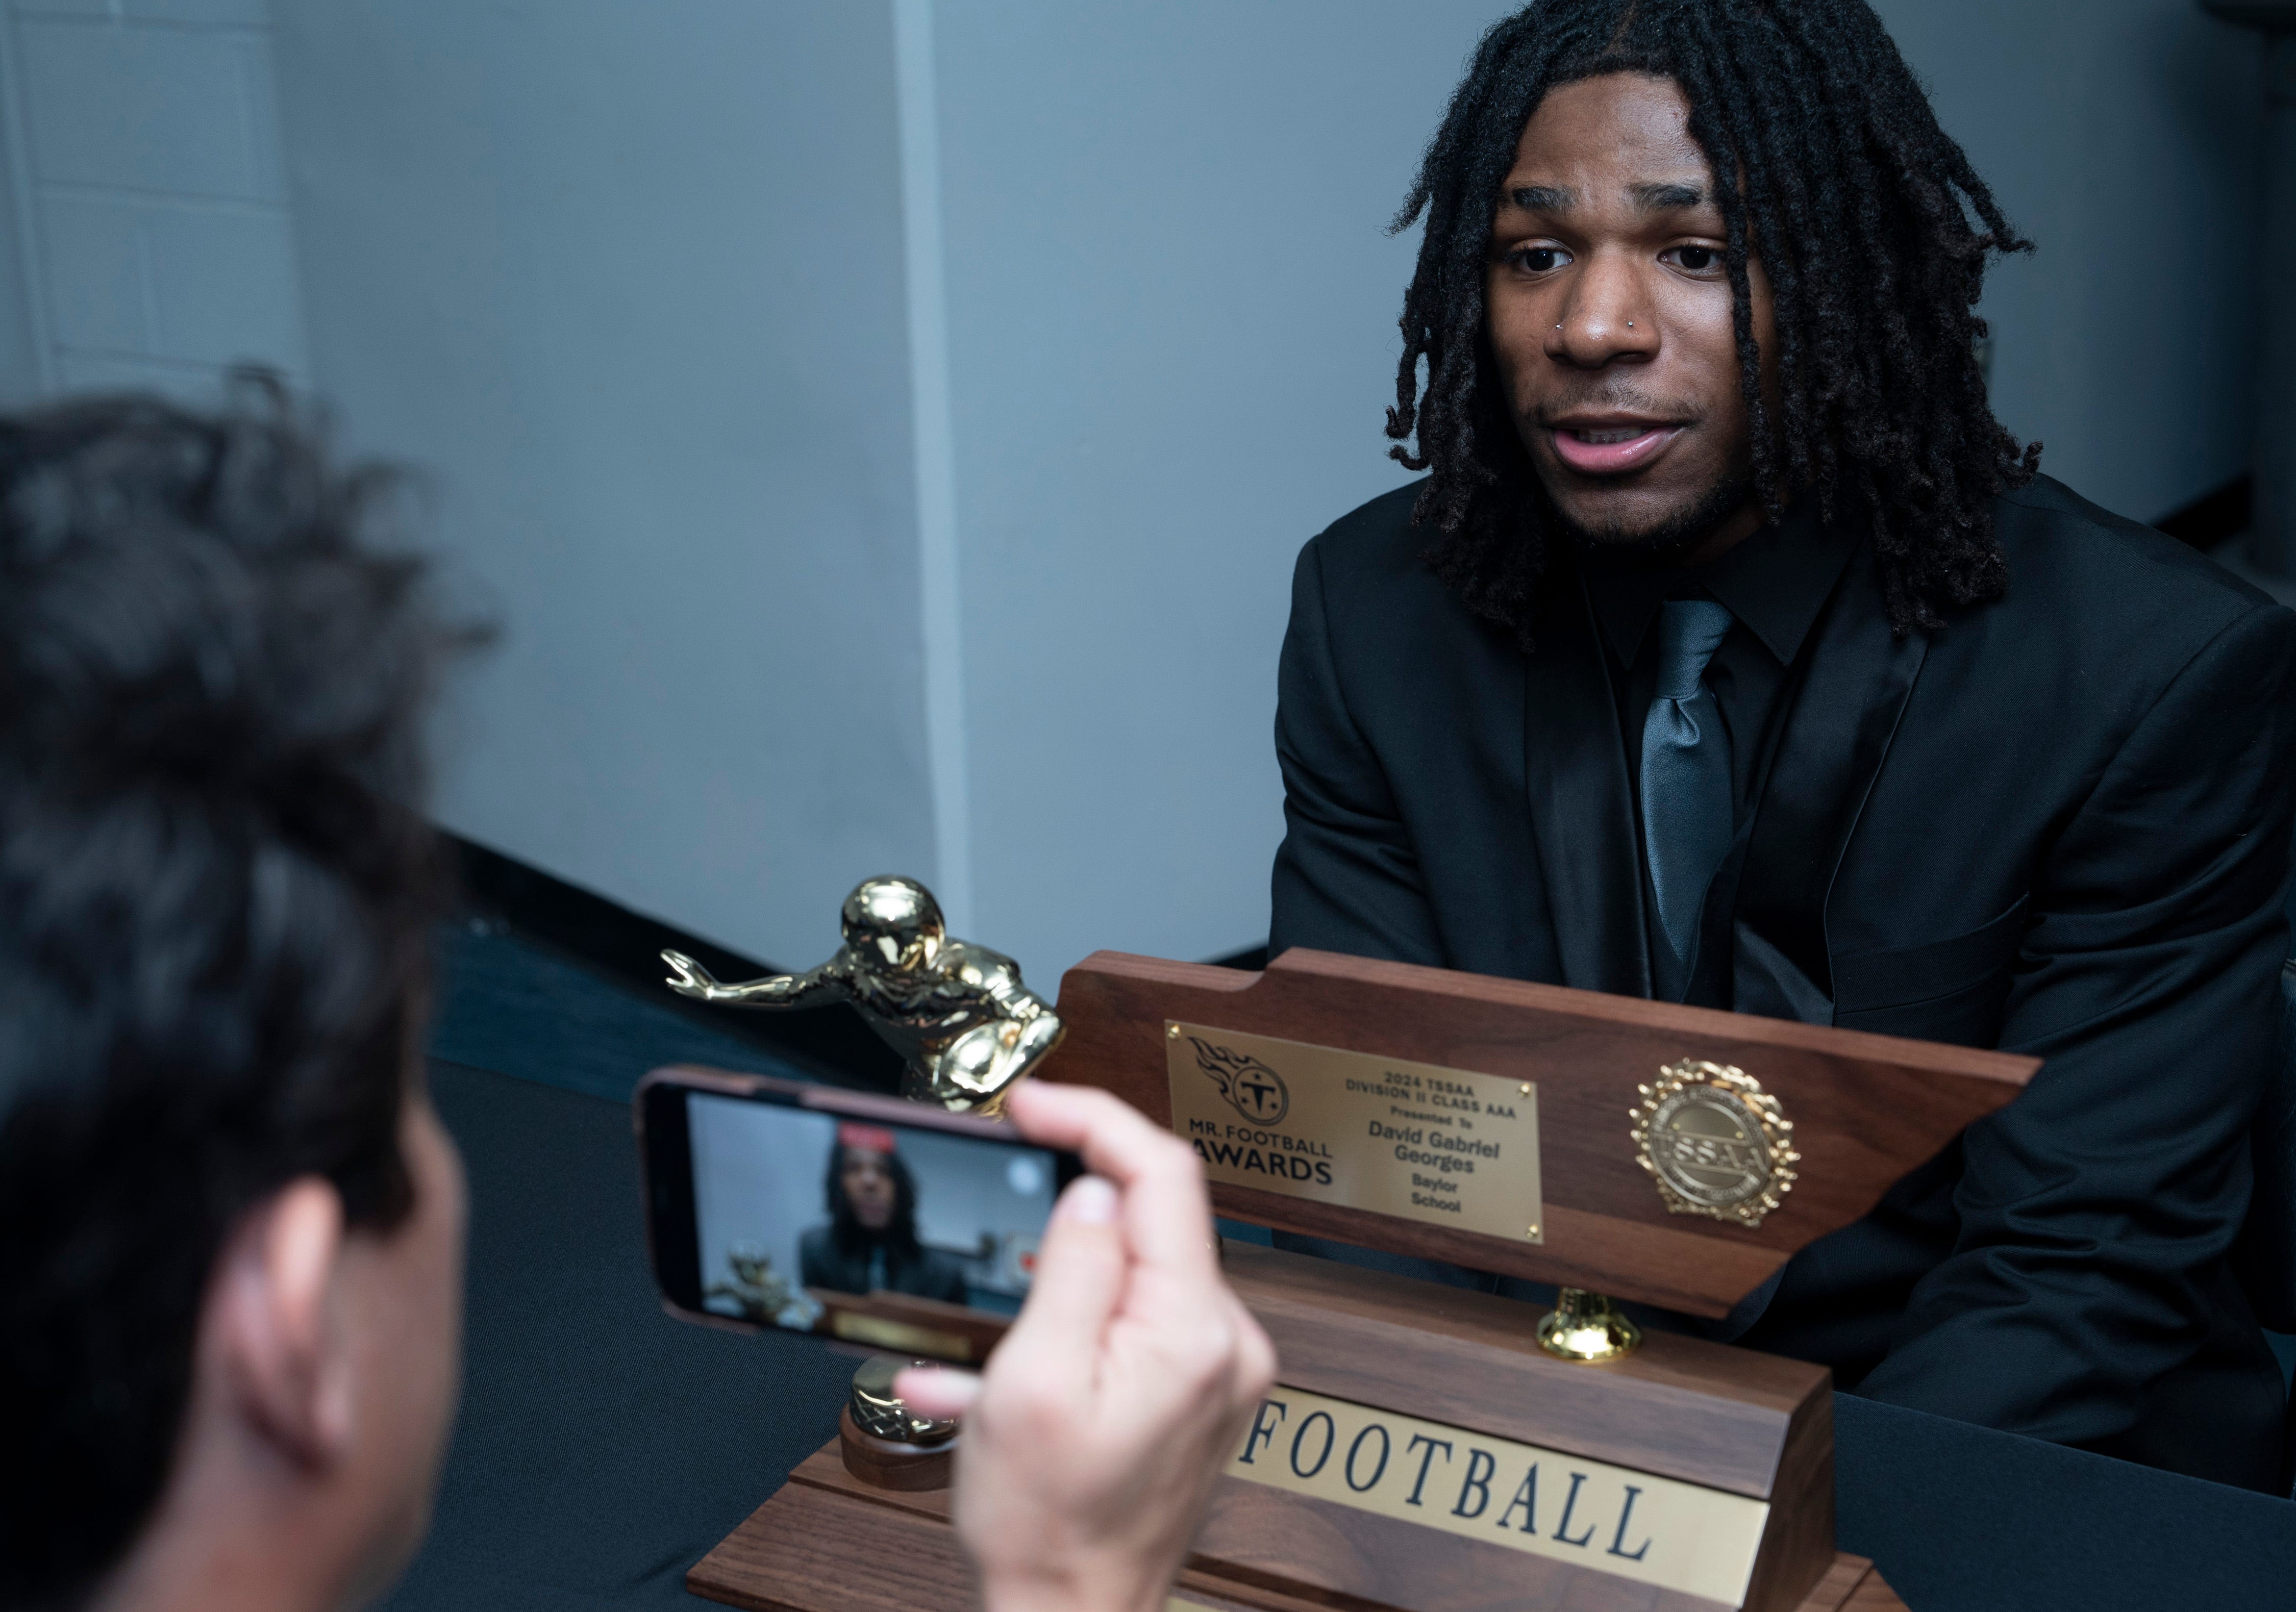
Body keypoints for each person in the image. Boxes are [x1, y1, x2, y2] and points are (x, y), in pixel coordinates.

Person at [0, 385, 1274, 1612]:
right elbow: (799, 985)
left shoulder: (962, 977)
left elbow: (1013, 1018)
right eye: (410, 1108)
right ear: (286, 1326)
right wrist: (1080, 1585)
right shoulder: (861, 972)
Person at [1270, 0, 2296, 1492]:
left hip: (1991, 1444)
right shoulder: (1373, 612)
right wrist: (1466, 1494)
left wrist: (1721, 1540)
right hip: (1543, 1427)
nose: (1595, 329)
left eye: (1696, 253)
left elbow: (2077, 1268)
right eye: (1535, 253)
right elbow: (1367, 1146)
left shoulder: (2149, 672)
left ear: (1847, 274)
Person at [799, 1123, 970, 1303]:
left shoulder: (943, 1275)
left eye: (883, 1170)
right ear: (838, 1183)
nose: (870, 1182)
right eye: (854, 1168)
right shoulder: (816, 1251)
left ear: (900, 1187)